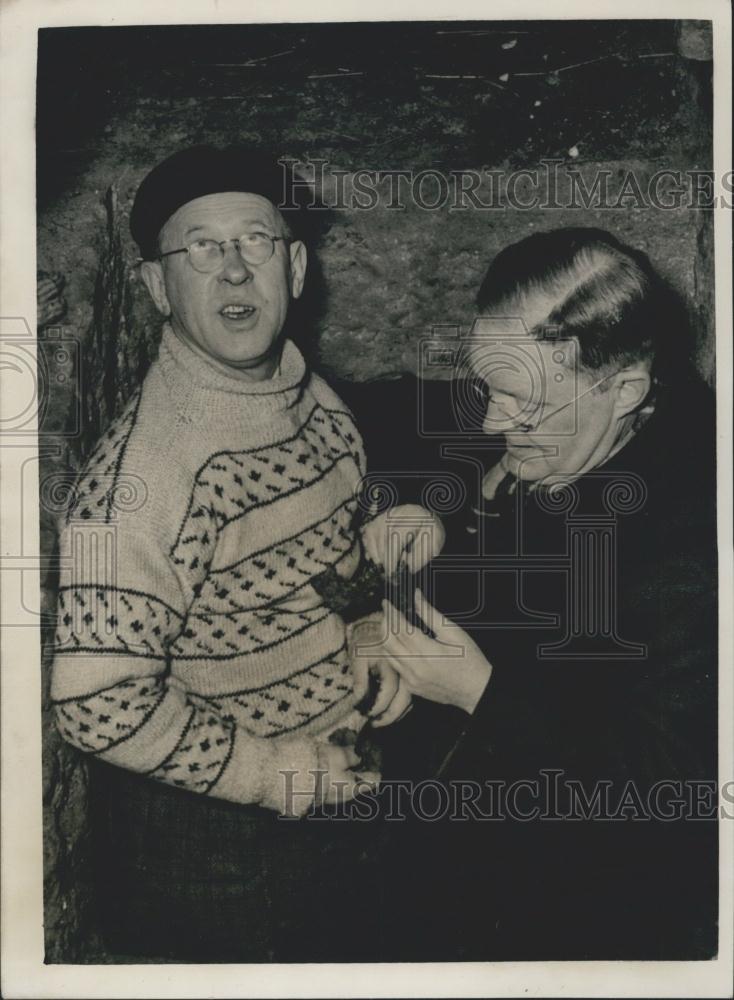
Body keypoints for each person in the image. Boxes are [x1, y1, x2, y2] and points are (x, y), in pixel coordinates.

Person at [49, 145, 440, 961]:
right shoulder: (148, 480)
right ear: (157, 286)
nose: (233, 271)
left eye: (255, 242)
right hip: (218, 847)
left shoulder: (307, 394)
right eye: (200, 248)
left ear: (295, 267)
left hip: (336, 787)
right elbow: (94, 702)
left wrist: (369, 627)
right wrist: (273, 776)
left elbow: (329, 555)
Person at [349, 228, 718, 960]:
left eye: (517, 404)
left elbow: (669, 789)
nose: (491, 419)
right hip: (451, 865)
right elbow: (393, 415)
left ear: (627, 389)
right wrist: (432, 507)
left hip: (582, 921)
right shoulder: (555, 403)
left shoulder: (695, 535)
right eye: (490, 386)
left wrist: (478, 692)